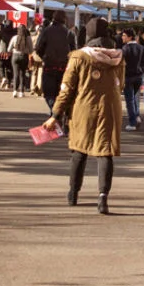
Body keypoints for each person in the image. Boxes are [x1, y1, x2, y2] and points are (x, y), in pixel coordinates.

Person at [44, 18, 124, 215]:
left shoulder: (79, 57)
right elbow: (119, 85)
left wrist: (55, 114)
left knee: (79, 150)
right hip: (110, 109)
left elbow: (67, 88)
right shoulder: (118, 57)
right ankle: (103, 197)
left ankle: (73, 192)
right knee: (105, 151)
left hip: (84, 108)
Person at [37, 11, 75, 112]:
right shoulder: (69, 33)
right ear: (64, 19)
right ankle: (57, 113)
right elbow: (74, 51)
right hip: (64, 67)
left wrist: (44, 56)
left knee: (49, 93)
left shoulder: (46, 31)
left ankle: (54, 112)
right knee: (61, 93)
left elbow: (38, 47)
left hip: (49, 65)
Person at [120, 28, 144, 131]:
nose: (122, 37)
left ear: (129, 37)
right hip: (138, 77)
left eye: (124, 36)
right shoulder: (142, 48)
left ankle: (132, 122)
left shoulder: (124, 49)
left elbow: (121, 64)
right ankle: (136, 116)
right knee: (134, 98)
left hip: (128, 77)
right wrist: (143, 73)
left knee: (129, 100)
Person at [8, 20, 35, 101]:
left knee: (15, 74)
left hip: (15, 56)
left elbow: (9, 49)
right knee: (22, 74)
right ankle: (22, 92)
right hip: (24, 56)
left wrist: (13, 50)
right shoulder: (28, 38)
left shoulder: (14, 38)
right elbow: (31, 50)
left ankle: (15, 91)